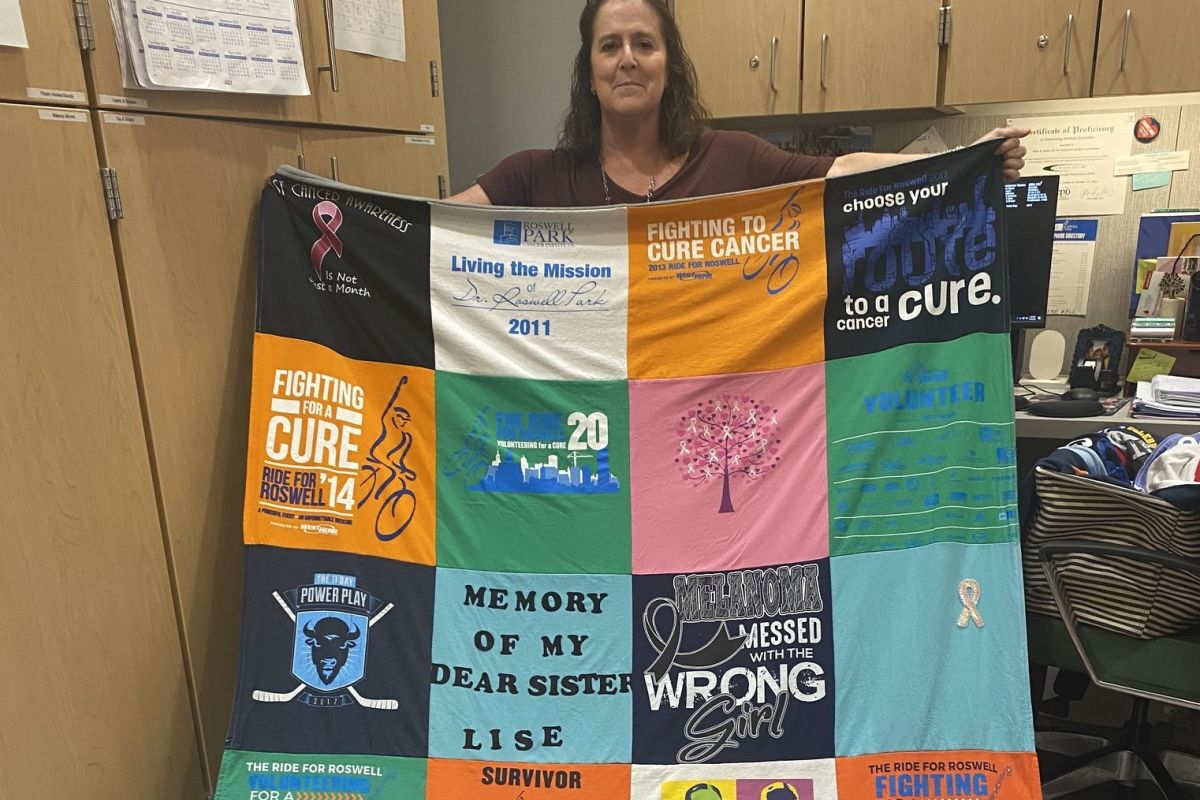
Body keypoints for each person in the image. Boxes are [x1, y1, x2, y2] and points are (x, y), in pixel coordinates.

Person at [449, 0, 1027, 208]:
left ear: (668, 67)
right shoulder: (533, 174)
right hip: (587, 424)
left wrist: (962, 163)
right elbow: (428, 231)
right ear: (590, 71)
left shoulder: (732, 159)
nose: (627, 58)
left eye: (644, 44)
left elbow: (843, 171)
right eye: (610, 45)